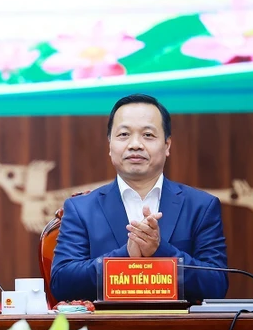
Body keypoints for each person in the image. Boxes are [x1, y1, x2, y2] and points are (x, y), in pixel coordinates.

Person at [50, 94, 228, 303]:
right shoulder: (81, 209)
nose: (135, 145)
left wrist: (160, 250)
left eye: (148, 135)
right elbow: (61, 283)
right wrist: (125, 255)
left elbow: (217, 284)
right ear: (110, 145)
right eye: (124, 134)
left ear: (167, 145)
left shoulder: (201, 206)